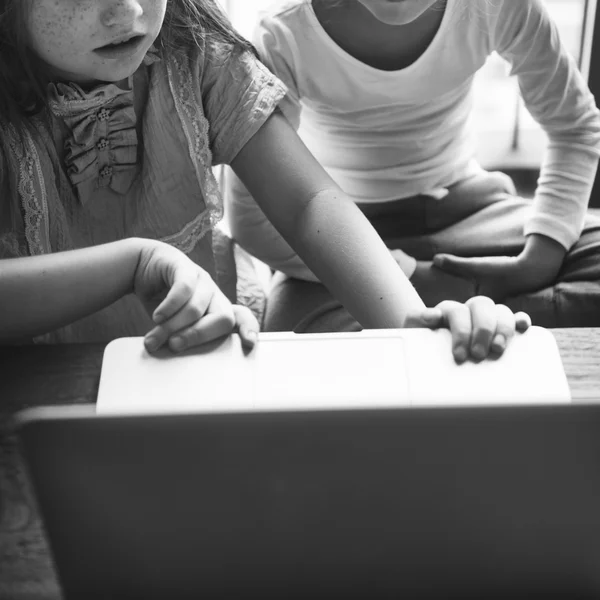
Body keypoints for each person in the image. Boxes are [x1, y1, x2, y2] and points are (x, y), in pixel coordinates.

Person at [0, 0, 530, 363]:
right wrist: (131, 263)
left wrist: (409, 324)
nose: (127, 12)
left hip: (206, 360)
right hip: (36, 382)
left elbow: (309, 202)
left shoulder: (193, 50)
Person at [226, 0, 600, 332]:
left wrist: (537, 262)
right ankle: (484, 323)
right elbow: (251, 222)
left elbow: (575, 127)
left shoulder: (497, 6)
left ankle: (452, 327)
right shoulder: (284, 35)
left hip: (471, 210)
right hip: (343, 231)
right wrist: (406, 274)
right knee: (294, 332)